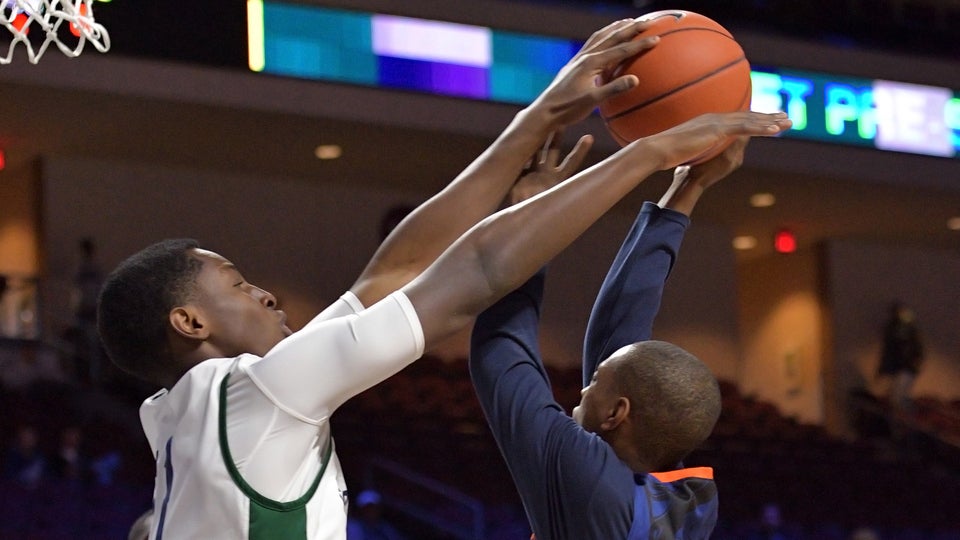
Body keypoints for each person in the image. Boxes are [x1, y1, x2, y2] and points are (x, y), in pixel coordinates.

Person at [96, 17, 792, 539]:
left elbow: (411, 280)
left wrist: (556, 131)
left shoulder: (189, 415)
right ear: (188, 322)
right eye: (239, 284)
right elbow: (442, 271)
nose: (266, 293)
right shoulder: (257, 395)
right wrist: (641, 154)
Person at [468, 134, 760, 538]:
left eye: (594, 384)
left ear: (616, 413)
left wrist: (528, 213)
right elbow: (620, 325)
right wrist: (688, 186)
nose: (584, 391)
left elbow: (501, 348)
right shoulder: (685, 499)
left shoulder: (585, 481)